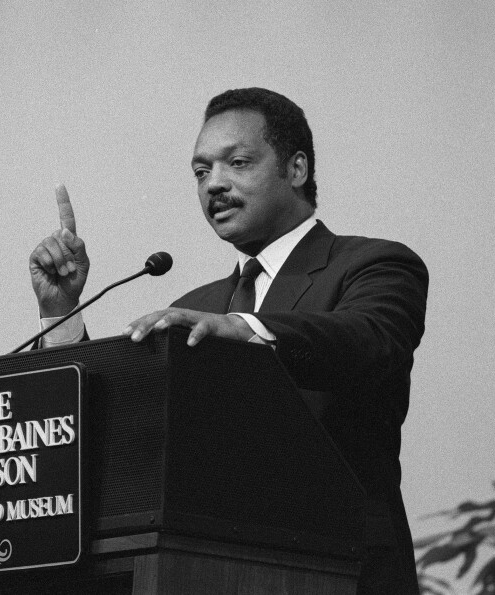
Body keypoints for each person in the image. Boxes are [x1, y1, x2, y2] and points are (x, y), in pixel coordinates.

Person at [28, 87, 428, 593]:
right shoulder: (199, 304)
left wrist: (246, 329)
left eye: (237, 162)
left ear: (297, 169)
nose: (214, 184)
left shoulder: (373, 265)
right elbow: (117, 428)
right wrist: (61, 314)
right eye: (201, 172)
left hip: (339, 572)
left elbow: (368, 340)